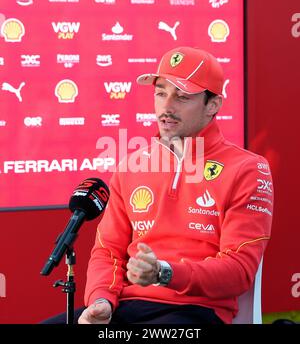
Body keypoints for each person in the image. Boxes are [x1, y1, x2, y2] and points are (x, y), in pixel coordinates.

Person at [76, 46, 273, 324]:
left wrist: (163, 272)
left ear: (213, 105)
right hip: (125, 307)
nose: (167, 107)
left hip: (197, 311)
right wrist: (100, 300)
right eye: (160, 93)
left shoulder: (248, 169)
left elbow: (239, 271)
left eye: (182, 97)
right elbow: (107, 251)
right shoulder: (131, 166)